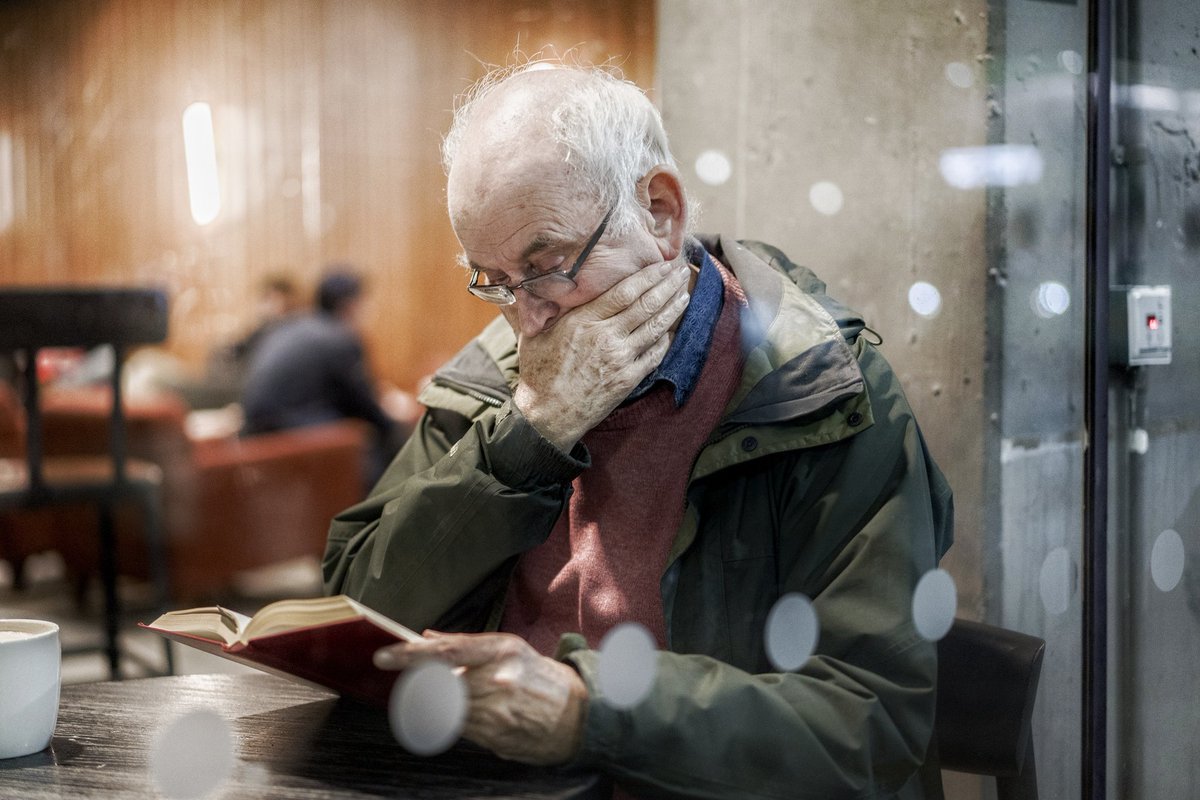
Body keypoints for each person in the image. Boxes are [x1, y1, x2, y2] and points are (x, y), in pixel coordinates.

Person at [323, 62, 953, 799]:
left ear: (658, 212)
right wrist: (533, 428)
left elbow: (869, 723)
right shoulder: (498, 373)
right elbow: (359, 609)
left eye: (547, 265)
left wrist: (594, 714)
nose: (527, 320)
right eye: (493, 280)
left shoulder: (819, 390)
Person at [241, 268, 409, 486]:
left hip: (254, 436)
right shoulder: (339, 337)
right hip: (292, 435)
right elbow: (366, 408)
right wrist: (398, 423)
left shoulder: (289, 327)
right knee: (384, 441)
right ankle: (375, 517)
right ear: (351, 304)